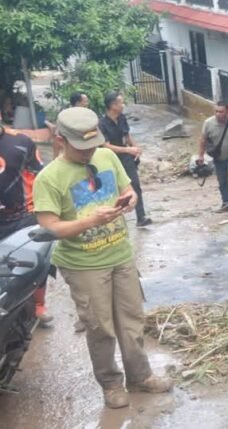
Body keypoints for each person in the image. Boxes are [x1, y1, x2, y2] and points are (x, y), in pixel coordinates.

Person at [33, 107, 173, 409]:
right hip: (83, 264)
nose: (88, 153)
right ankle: (110, 383)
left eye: (92, 144)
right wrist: (90, 221)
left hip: (120, 254)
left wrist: (129, 200)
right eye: (80, 147)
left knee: (132, 322)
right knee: (100, 327)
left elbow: (128, 189)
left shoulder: (106, 157)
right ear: (61, 139)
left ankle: (141, 376)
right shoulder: (49, 178)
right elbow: (49, 228)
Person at [0, 124, 51, 326]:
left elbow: (40, 174)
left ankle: (39, 306)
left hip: (21, 216)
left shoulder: (21, 141)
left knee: (35, 261)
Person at [99, 92, 152, 227]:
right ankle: (112, 219)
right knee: (113, 190)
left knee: (135, 185)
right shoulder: (102, 124)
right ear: (112, 105)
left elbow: (127, 135)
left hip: (126, 157)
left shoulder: (122, 118)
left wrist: (135, 147)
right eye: (121, 103)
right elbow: (106, 146)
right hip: (111, 159)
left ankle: (141, 217)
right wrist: (128, 149)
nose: (123, 105)